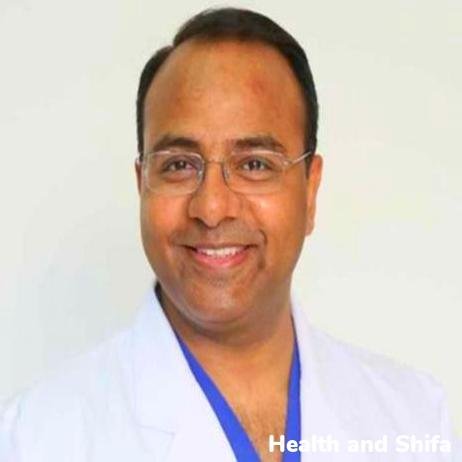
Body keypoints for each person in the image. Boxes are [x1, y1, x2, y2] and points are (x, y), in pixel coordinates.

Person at [0, 7, 459, 462]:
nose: (212, 208)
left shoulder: (414, 418)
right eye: (179, 165)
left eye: (255, 164)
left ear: (310, 191)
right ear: (142, 184)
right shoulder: (35, 438)